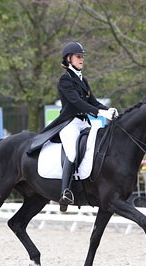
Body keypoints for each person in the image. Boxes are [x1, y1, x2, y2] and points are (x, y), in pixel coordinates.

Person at [28, 42, 118, 212]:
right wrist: (99, 112)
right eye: (78, 56)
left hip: (84, 123)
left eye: (82, 56)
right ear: (69, 59)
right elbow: (76, 102)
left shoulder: (83, 80)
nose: (81, 59)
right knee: (72, 152)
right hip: (69, 123)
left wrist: (108, 110)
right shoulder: (65, 80)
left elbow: (93, 102)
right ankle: (65, 191)